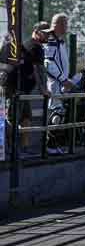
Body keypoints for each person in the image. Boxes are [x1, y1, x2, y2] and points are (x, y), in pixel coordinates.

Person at [4, 22, 51, 156]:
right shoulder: (35, 47)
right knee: (12, 120)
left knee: (24, 119)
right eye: (45, 32)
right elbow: (37, 70)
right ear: (36, 31)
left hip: (22, 89)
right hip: (15, 90)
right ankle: (12, 149)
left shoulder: (30, 45)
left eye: (49, 32)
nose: (48, 35)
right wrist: (43, 89)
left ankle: (22, 148)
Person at [44, 13, 72, 155]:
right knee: (57, 113)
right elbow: (48, 63)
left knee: (59, 113)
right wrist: (63, 79)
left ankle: (53, 145)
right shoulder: (51, 40)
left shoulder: (59, 40)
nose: (67, 27)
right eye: (65, 24)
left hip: (60, 83)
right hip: (54, 84)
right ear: (59, 25)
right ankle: (50, 146)